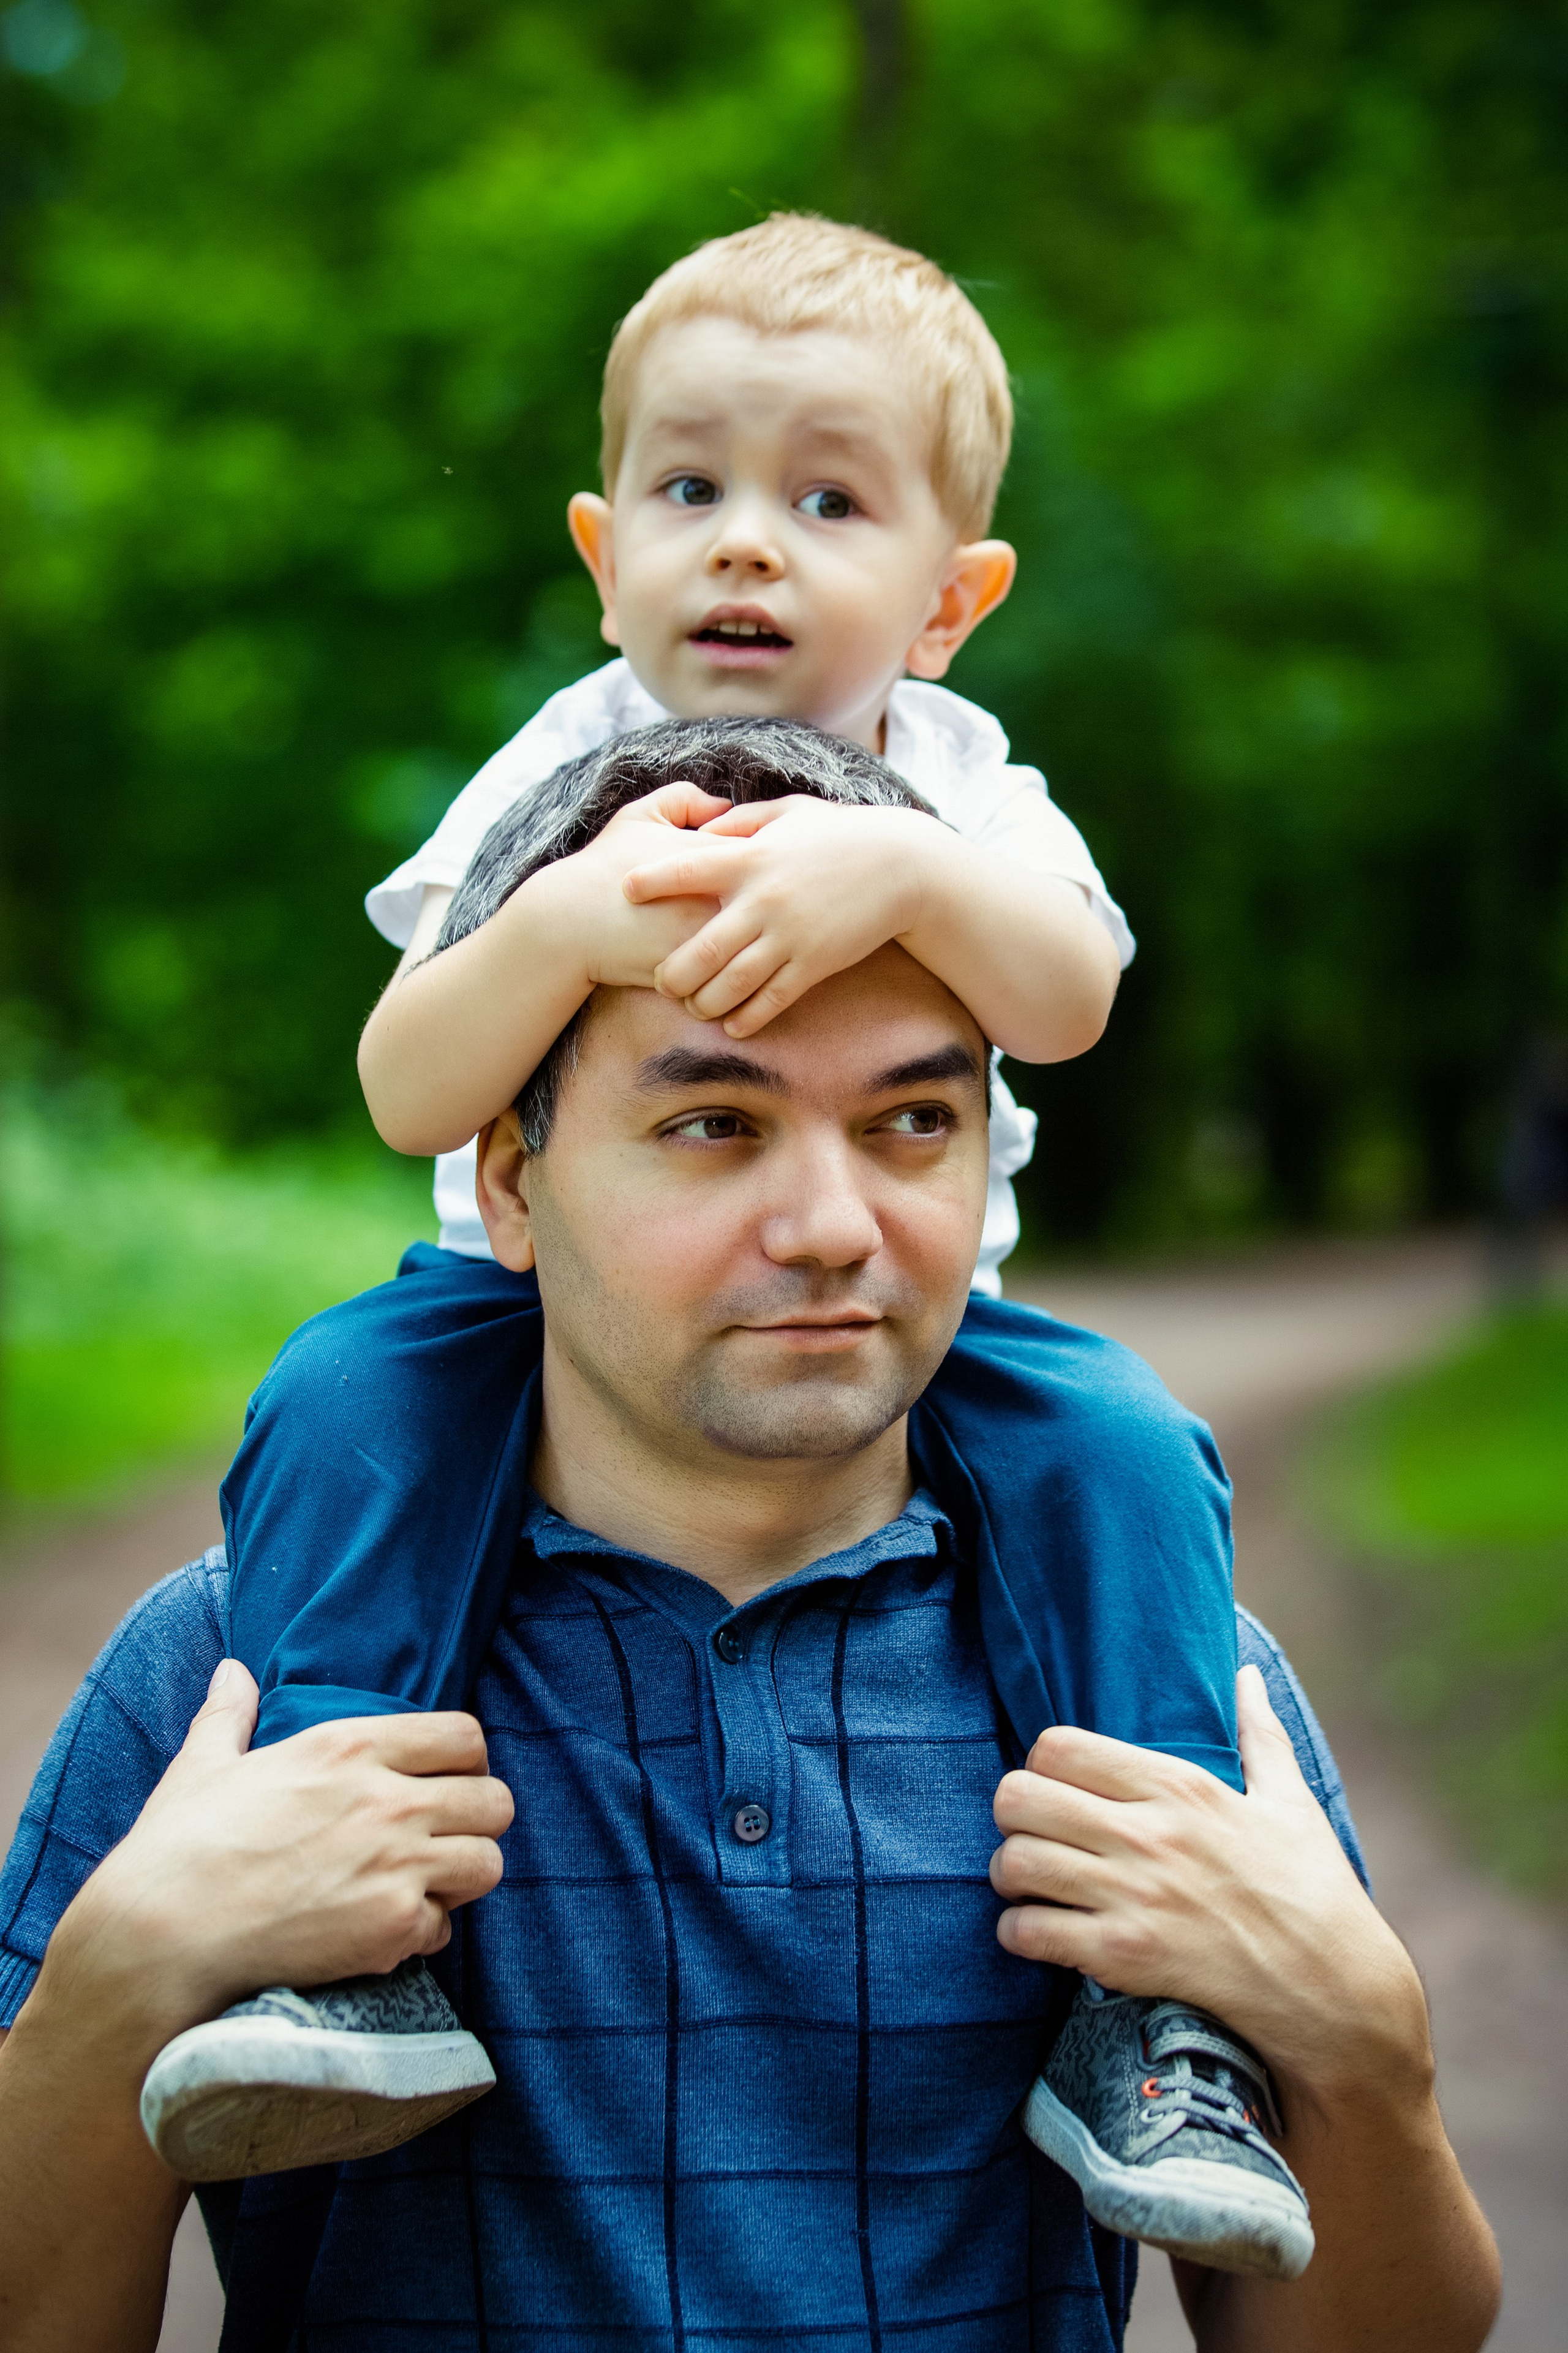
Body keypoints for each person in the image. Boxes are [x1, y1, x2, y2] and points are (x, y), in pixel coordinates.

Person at [0, 896, 1499, 2351]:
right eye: (713, 1124)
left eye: (913, 1121)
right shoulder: (235, 1673)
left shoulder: (1153, 1676)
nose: (834, 1227)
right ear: (511, 1188)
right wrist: (108, 1996)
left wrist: (1369, 2054)